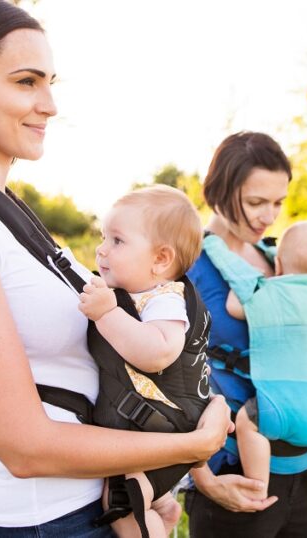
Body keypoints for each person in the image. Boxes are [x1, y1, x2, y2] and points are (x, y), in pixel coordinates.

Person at [0, 1, 230, 536]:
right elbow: (24, 447)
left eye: (50, 82)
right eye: (26, 82)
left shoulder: (4, 210)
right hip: (40, 520)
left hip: (93, 505)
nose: (50, 104)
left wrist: (153, 484)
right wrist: (193, 445)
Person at [183, 132, 307, 538]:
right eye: (255, 202)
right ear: (218, 191)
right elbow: (163, 379)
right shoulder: (187, 263)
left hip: (296, 464)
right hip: (231, 468)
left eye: (279, 202)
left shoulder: (277, 258)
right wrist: (205, 479)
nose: (270, 216)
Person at [77, 185, 211, 538]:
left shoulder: (166, 299)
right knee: (131, 489)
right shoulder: (137, 295)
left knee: (121, 504)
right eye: (104, 237)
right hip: (149, 427)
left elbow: (159, 353)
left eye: (118, 241)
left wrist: (107, 315)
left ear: (160, 260)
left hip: (163, 425)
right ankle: (163, 505)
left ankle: (154, 525)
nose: (102, 249)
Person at [217, 220, 307, 499]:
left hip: (285, 411)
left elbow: (234, 307)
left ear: (278, 266)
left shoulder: (272, 295)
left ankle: (257, 485)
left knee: (248, 422)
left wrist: (243, 283)